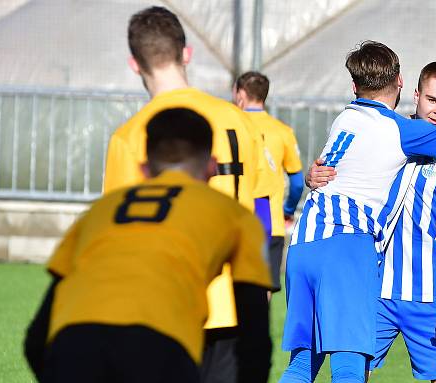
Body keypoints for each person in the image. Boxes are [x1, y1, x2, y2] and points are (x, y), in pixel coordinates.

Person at [280, 41, 436, 383]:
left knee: (304, 364)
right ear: (409, 88)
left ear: (353, 86)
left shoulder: (347, 119)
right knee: (349, 367)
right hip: (362, 268)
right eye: (433, 100)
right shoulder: (400, 132)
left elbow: (330, 170)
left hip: (312, 245)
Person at [24, 108, 272, 383]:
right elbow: (254, 332)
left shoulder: (99, 211)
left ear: (143, 170)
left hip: (74, 346)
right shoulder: (234, 215)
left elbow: (36, 338)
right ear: (212, 166)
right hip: (158, 348)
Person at [102, 7, 270, 382]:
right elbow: (259, 207)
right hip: (236, 302)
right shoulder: (238, 121)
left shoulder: (130, 138)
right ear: (187, 53)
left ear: (134, 63)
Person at [233, 71, 305, 294]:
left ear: (241, 94)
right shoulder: (282, 131)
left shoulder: (231, 126)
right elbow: (297, 183)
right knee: (264, 286)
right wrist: (288, 209)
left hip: (236, 216)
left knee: (233, 287)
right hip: (268, 217)